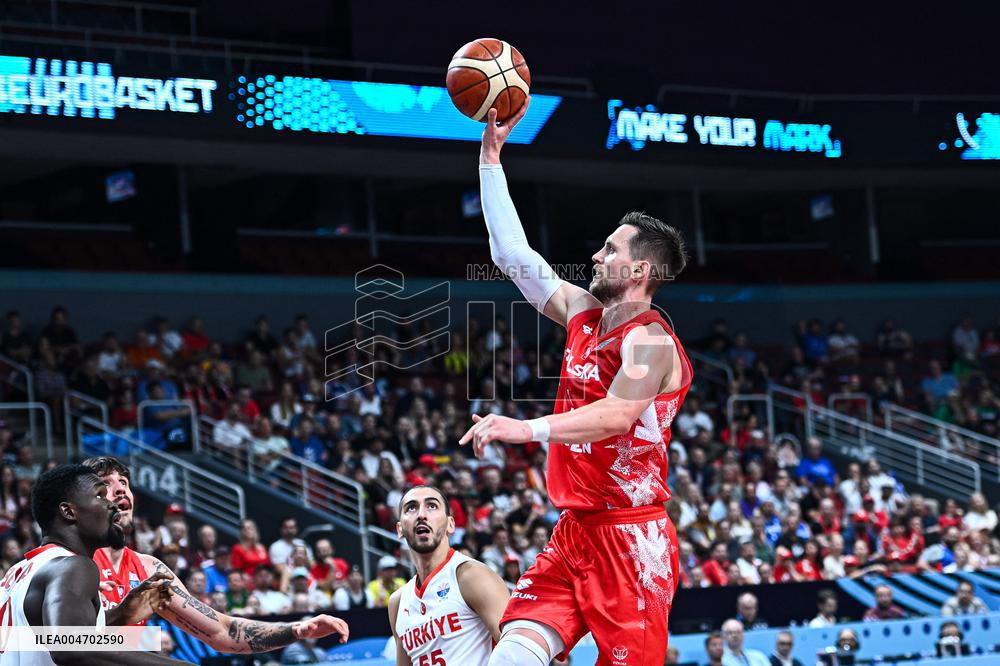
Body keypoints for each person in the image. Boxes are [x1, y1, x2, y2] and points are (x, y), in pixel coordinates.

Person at [464, 98, 691, 666]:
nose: (595, 253)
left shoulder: (652, 341)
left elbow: (617, 416)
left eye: (610, 249)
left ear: (639, 270)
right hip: (575, 534)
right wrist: (491, 159)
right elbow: (512, 256)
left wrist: (525, 428)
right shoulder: (582, 312)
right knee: (510, 657)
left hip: (631, 543)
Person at [82, 456, 350, 654]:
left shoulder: (148, 569)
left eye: (124, 482)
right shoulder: (62, 559)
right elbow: (45, 642)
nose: (120, 489)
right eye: (106, 483)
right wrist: (121, 622)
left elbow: (222, 632)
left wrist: (297, 630)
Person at [0, 464, 185, 664]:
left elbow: (43, 637)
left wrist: (120, 615)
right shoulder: (73, 566)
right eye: (100, 495)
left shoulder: (17, 573)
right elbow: (67, 645)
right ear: (69, 511)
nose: (112, 504)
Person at [389, 485, 509, 665]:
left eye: (432, 506)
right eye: (411, 508)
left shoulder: (472, 576)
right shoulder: (397, 602)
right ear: (399, 529)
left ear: (450, 524)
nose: (421, 515)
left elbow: (517, 651)